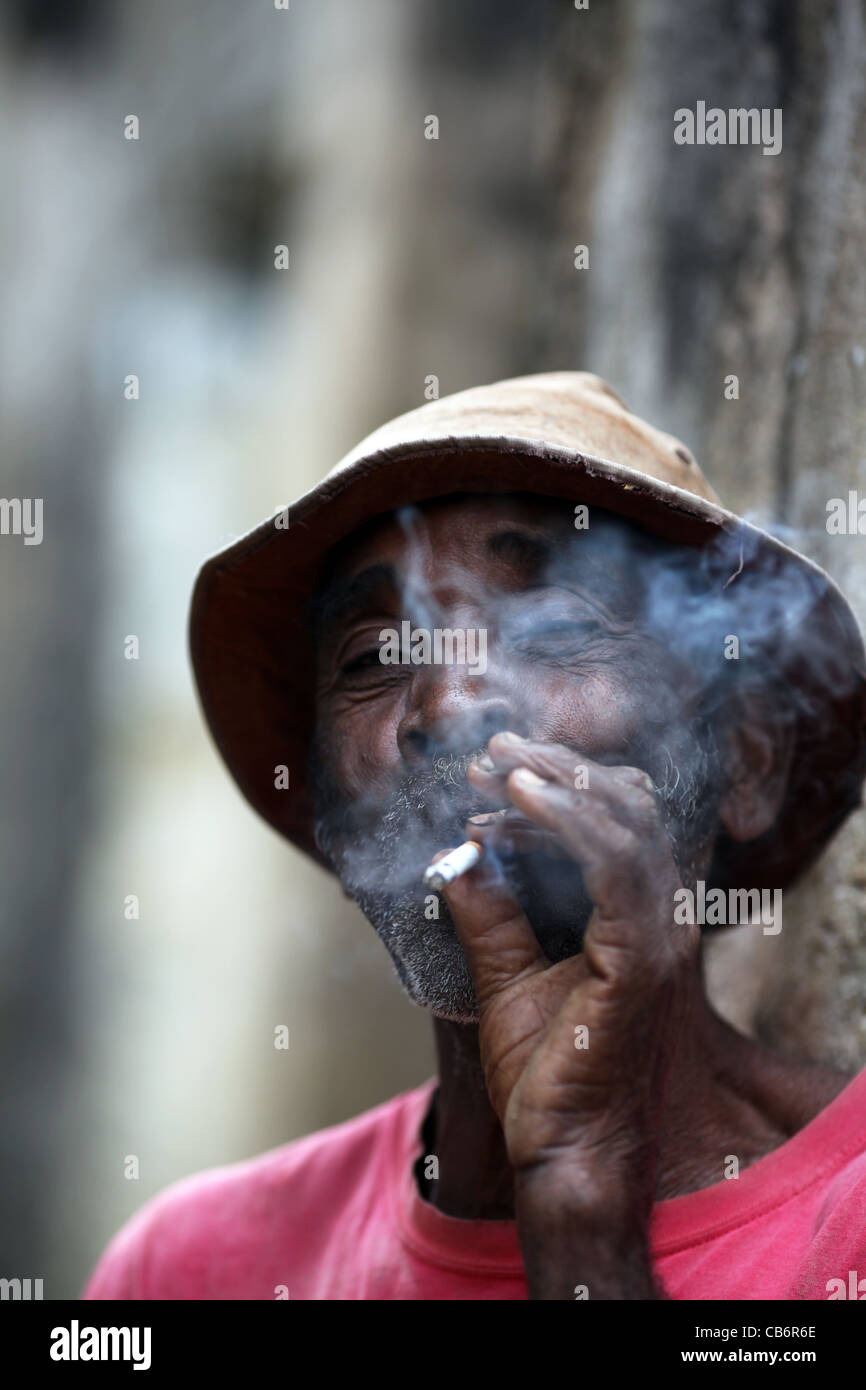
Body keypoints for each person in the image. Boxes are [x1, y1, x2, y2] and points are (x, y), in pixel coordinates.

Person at [82, 372, 866, 1300]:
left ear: (745, 762)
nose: (447, 703)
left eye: (560, 627)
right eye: (375, 657)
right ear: (332, 818)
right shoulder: (195, 1269)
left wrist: (582, 1210)